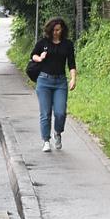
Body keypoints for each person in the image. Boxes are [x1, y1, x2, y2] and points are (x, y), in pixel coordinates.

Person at [31, 17, 78, 153]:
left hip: (60, 82)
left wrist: (73, 79)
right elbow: (33, 55)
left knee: (60, 112)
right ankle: (46, 141)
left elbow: (71, 63)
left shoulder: (67, 44)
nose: (56, 32)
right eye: (53, 30)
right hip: (44, 81)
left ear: (62, 30)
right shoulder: (43, 43)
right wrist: (40, 58)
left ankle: (57, 132)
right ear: (49, 30)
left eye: (58, 30)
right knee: (45, 113)